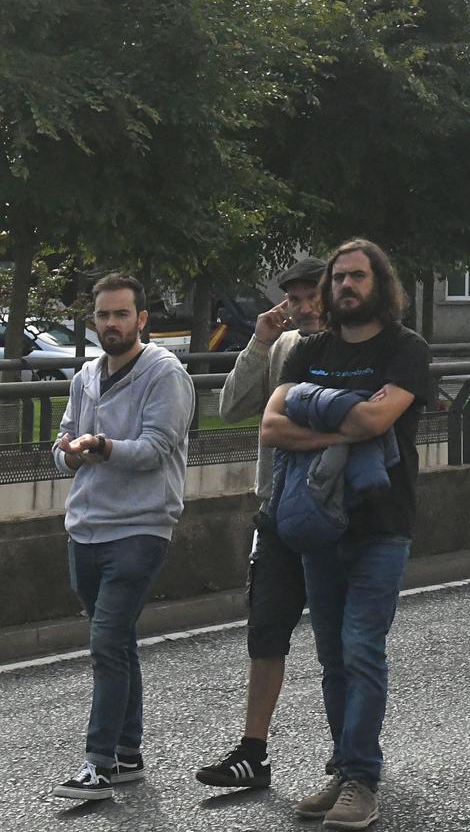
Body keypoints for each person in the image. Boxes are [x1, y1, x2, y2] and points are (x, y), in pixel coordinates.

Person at [261, 239, 434, 830]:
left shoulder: (405, 349)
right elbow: (270, 426)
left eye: (358, 277)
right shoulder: (308, 350)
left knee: (362, 648)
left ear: (379, 284)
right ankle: (344, 766)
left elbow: (378, 418)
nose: (345, 287)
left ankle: (362, 777)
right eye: (338, 278)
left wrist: (328, 418)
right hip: (318, 522)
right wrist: (341, 433)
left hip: (383, 524)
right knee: (332, 656)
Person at [50, 274, 197, 803]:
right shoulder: (85, 376)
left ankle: (98, 764)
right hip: (85, 528)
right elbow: (61, 442)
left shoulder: (165, 374)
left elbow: (159, 446)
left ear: (142, 319)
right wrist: (68, 451)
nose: (111, 324)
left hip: (140, 527)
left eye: (121, 314)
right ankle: (130, 753)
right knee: (118, 642)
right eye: (103, 315)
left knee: (106, 642)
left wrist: (105, 446)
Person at [195, 258, 326, 791]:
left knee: (344, 641)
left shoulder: (356, 351)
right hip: (278, 513)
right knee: (265, 632)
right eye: (294, 299)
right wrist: (258, 342)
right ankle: (253, 753)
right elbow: (229, 408)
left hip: (338, 514)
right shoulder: (283, 347)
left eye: (312, 295)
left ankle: (353, 758)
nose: (303, 307)